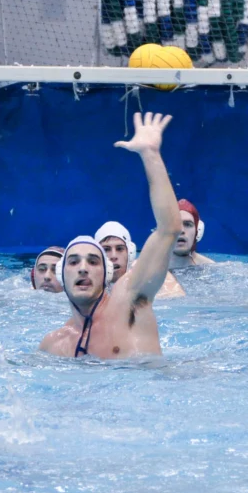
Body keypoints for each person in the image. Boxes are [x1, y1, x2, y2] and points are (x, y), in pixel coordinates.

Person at [39, 113, 179, 359]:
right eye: (74, 262)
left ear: (106, 274)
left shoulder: (130, 300)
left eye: (93, 262)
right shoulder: (54, 345)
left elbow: (169, 229)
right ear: (62, 275)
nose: (83, 269)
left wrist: (150, 155)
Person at [96, 221, 185, 298]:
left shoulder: (148, 273)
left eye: (119, 249)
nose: (113, 256)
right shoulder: (90, 281)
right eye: (106, 249)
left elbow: (178, 299)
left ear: (130, 253)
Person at [169, 199, 215, 269]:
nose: (181, 230)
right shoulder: (150, 269)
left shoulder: (210, 268)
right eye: (175, 224)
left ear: (197, 231)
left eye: (187, 224)